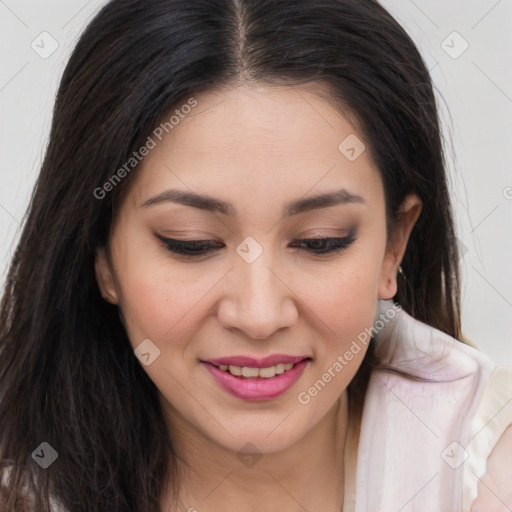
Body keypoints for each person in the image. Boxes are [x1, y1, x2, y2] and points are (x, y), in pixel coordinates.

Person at [1, 0, 510, 510]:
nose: (259, 315)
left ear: (392, 246)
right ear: (102, 256)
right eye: (190, 243)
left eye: (320, 241)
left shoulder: (486, 472)